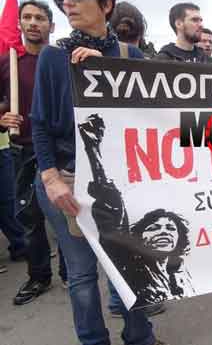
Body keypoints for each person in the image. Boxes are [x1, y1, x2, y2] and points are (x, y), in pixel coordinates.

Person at [31, 0, 168, 345]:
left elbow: (152, 115)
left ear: (106, 4)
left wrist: (108, 72)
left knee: (131, 269)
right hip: (68, 180)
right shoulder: (52, 57)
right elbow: (40, 123)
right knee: (82, 275)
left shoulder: (129, 55)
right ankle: (94, 341)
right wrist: (51, 178)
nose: (67, 3)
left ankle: (140, 338)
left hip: (121, 183)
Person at [79, 114, 196, 305]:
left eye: (170, 228)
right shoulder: (129, 261)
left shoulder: (179, 274)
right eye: (154, 228)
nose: (163, 232)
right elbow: (111, 202)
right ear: (138, 236)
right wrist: (93, 149)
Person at [0, 0, 70, 304]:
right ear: (19, 24)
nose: (32, 23)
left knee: (66, 216)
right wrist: (2, 119)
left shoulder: (63, 61)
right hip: (23, 150)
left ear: (51, 26)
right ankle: (38, 276)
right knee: (29, 219)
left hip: (60, 151)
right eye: (27, 17)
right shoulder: (8, 63)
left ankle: (70, 272)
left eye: (39, 18)